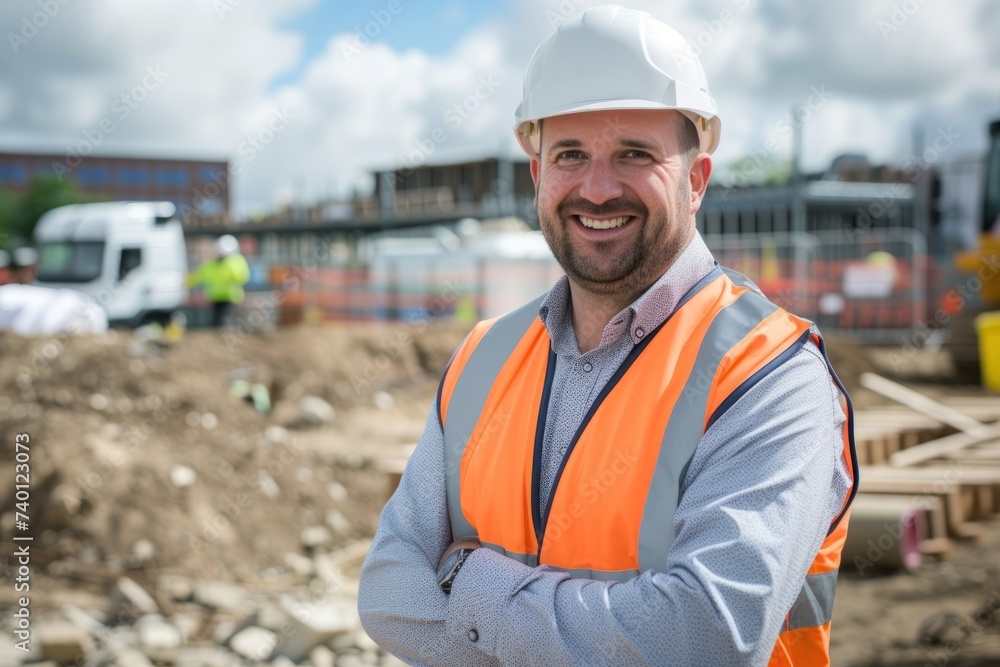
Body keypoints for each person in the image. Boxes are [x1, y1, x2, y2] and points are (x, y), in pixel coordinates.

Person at [358, 6, 857, 666]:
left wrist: (468, 585)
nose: (597, 188)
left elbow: (705, 636)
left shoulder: (768, 372)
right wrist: (606, 633)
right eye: (569, 155)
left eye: (634, 154)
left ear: (697, 179)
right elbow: (387, 593)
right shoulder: (481, 360)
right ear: (538, 178)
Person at [187, 234, 250, 328]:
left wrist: (228, 269)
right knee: (217, 322)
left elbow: (243, 277)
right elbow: (199, 276)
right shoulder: (211, 264)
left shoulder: (236, 262)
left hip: (231, 297)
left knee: (226, 321)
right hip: (215, 297)